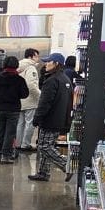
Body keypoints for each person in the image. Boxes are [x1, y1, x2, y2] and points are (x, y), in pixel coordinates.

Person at [28, 53, 74, 182]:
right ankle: (43, 173)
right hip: (59, 119)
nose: (46, 64)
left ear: (56, 64)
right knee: (47, 145)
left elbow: (45, 102)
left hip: (49, 119)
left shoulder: (52, 80)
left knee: (44, 146)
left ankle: (66, 165)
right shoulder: (66, 80)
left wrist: (37, 118)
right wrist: (67, 122)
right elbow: (69, 103)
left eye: (49, 62)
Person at [0, 56, 28, 164]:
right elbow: (25, 94)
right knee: (9, 133)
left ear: (4, 65)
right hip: (13, 110)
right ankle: (5, 156)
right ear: (16, 65)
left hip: (0, 108)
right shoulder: (20, 80)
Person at [17, 48, 41, 152]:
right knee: (29, 124)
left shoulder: (19, 66)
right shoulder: (31, 68)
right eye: (36, 56)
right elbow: (31, 85)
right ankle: (25, 144)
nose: (38, 58)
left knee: (20, 123)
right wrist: (40, 95)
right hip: (30, 100)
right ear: (31, 57)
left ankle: (18, 144)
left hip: (20, 100)